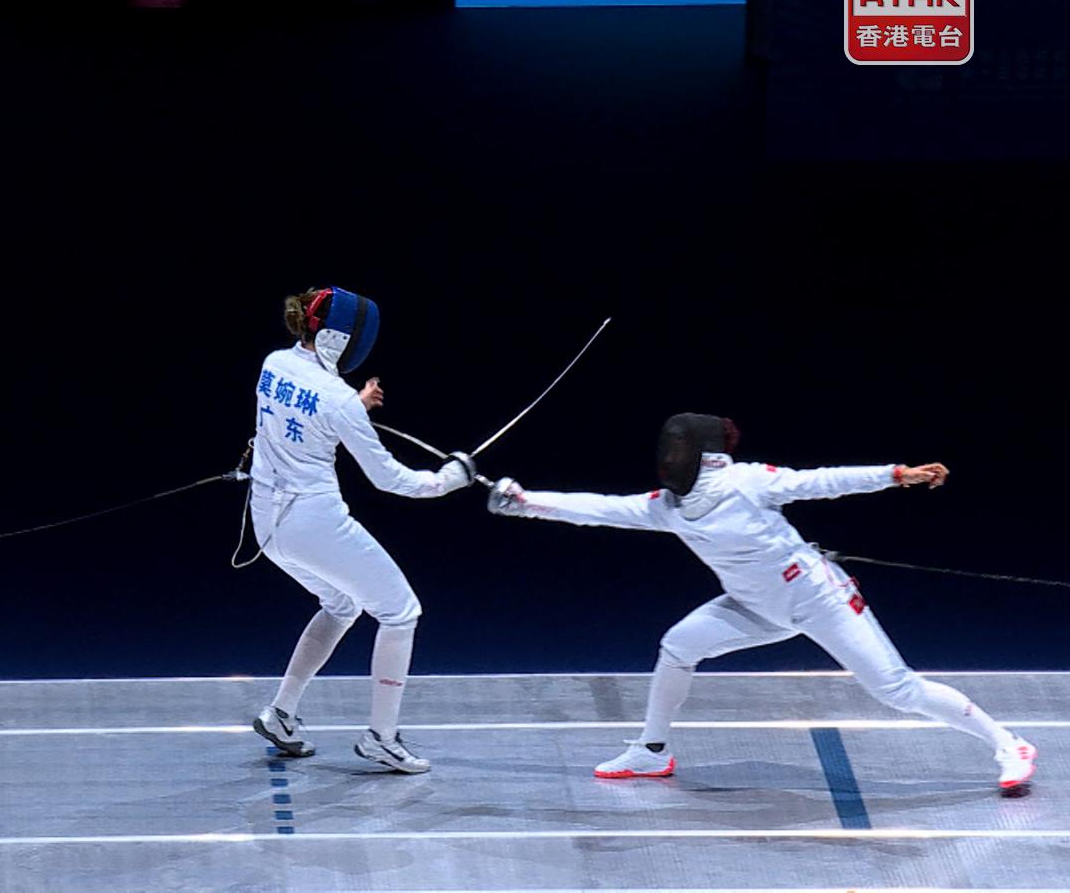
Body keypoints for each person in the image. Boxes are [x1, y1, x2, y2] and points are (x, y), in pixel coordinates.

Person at [486, 413, 1036, 791]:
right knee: (678, 645)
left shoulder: (748, 482)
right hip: (754, 608)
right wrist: (525, 502)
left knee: (897, 690)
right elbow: (599, 509)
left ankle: (1009, 745)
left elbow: (823, 481)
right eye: (667, 449)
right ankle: (651, 753)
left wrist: (895, 475)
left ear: (700, 455)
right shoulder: (668, 507)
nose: (668, 458)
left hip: (818, 596)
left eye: (678, 450)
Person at [249, 286, 475, 774]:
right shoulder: (338, 401)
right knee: (400, 612)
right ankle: (382, 738)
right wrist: (451, 478)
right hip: (314, 522)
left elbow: (310, 406)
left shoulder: (273, 364)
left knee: (342, 603)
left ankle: (281, 715)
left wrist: (354, 403)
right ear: (336, 338)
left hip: (266, 524)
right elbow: (392, 480)